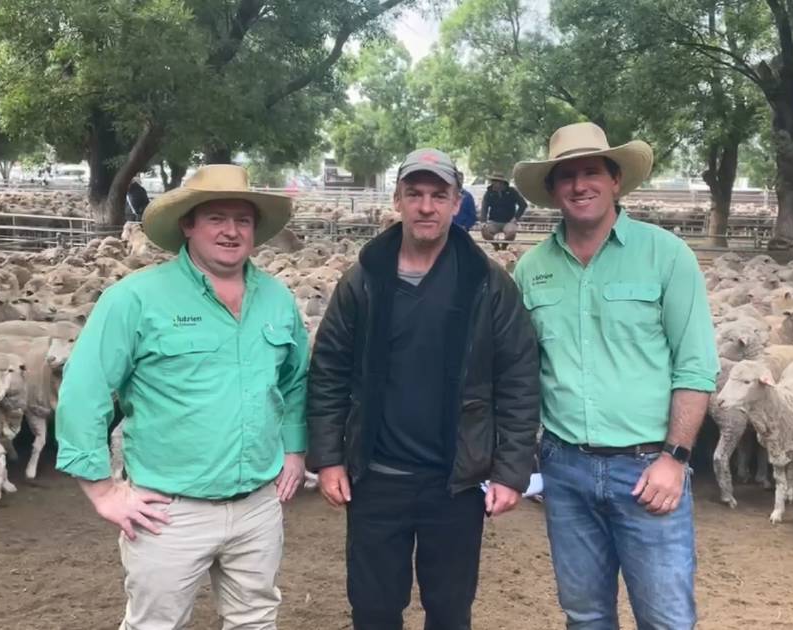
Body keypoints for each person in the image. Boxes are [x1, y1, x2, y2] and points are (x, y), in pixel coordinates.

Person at [54, 164, 309, 630]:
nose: (231, 231)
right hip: (167, 510)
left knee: (255, 619)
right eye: (216, 218)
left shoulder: (277, 299)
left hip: (257, 504)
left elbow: (295, 382)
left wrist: (294, 450)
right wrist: (102, 488)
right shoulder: (135, 299)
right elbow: (83, 388)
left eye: (243, 220)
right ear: (188, 224)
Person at [307, 148, 540, 630]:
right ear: (397, 200)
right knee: (373, 609)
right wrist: (329, 457)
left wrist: (511, 470)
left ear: (458, 204)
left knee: (450, 610)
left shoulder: (487, 284)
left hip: (454, 482)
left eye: (439, 195)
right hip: (375, 477)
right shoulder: (364, 279)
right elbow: (329, 368)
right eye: (415, 194)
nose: (426, 207)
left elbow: (517, 376)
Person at [511, 122, 720, 630]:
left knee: (666, 619)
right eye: (567, 177)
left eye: (591, 173)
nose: (579, 185)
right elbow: (517, 370)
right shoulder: (531, 269)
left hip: (648, 470)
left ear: (615, 180)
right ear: (553, 189)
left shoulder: (666, 255)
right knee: (584, 616)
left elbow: (695, 365)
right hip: (565, 470)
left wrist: (674, 458)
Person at [479, 172, 527, 250]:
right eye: (493, 181)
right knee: (484, 231)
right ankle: (496, 246)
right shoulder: (489, 193)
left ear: (502, 183)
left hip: (509, 221)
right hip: (494, 221)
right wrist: (483, 221)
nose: (493, 183)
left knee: (511, 232)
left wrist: (515, 218)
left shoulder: (512, 191)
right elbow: (484, 207)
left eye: (495, 181)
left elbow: (523, 205)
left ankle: (504, 246)